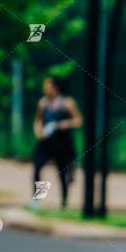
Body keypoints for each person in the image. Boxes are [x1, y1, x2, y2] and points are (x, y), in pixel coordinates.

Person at [32, 76, 82, 209]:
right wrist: (38, 131)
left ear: (55, 87)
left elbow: (78, 120)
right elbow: (38, 120)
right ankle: (37, 199)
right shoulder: (43, 103)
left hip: (62, 143)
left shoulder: (67, 103)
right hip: (46, 143)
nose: (45, 88)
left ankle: (64, 202)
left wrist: (64, 124)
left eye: (47, 85)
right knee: (38, 167)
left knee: (62, 173)